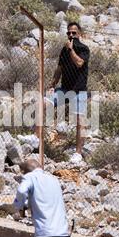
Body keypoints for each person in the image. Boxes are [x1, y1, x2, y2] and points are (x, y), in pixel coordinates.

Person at [48, 22, 90, 163]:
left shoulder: (84, 49)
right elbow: (59, 69)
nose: (71, 35)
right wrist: (52, 84)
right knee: (43, 101)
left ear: (79, 34)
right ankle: (36, 138)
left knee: (80, 120)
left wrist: (72, 50)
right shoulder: (63, 50)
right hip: (65, 89)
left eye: (74, 33)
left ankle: (78, 152)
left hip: (79, 91)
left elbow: (79, 63)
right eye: (69, 33)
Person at [12, 159, 70, 237]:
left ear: (25, 171)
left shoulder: (30, 177)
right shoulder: (53, 179)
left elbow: (21, 191)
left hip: (46, 236)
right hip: (63, 234)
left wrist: (18, 206)